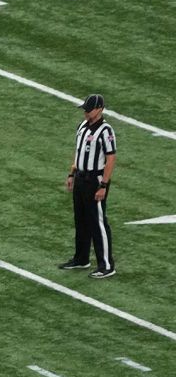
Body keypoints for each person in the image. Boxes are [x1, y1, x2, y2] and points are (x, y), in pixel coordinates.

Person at [60, 93, 117, 278]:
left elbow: (110, 159)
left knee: (98, 223)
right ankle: (81, 258)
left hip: (95, 180)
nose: (85, 112)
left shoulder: (106, 131)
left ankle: (107, 265)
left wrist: (104, 185)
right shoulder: (82, 127)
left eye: (89, 109)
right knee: (81, 220)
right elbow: (78, 152)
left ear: (99, 109)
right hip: (80, 178)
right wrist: (71, 173)